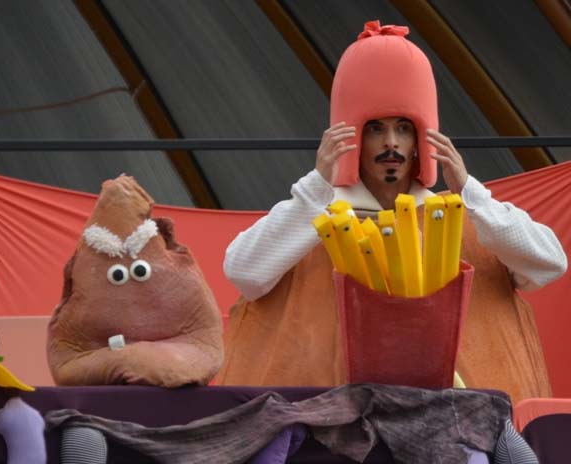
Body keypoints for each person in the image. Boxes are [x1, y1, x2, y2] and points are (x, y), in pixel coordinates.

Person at [217, 21, 567, 405]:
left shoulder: (463, 214)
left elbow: (549, 263)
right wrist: (317, 189)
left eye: (403, 128)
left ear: (421, 139)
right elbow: (244, 272)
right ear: (351, 136)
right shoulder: (314, 217)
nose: (391, 143)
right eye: (375, 129)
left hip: (454, 423)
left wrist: (471, 193)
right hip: (334, 422)